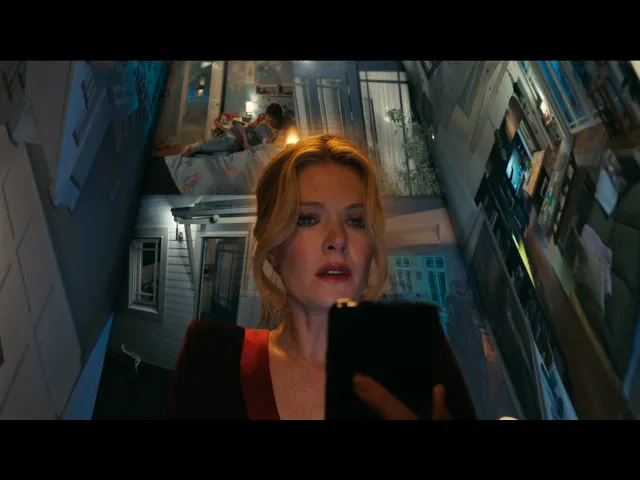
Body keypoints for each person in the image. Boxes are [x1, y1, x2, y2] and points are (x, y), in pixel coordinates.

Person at [167, 134, 459, 420]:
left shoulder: (426, 360)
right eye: (307, 219)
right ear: (273, 248)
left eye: (356, 221)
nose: (338, 239)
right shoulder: (211, 357)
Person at [181, 103, 288, 157]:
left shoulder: (282, 128)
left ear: (278, 118)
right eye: (267, 117)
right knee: (232, 143)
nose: (268, 120)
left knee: (226, 152)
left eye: (271, 119)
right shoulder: (262, 119)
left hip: (256, 143)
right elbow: (249, 125)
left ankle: (200, 152)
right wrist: (243, 128)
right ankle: (197, 147)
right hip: (247, 137)